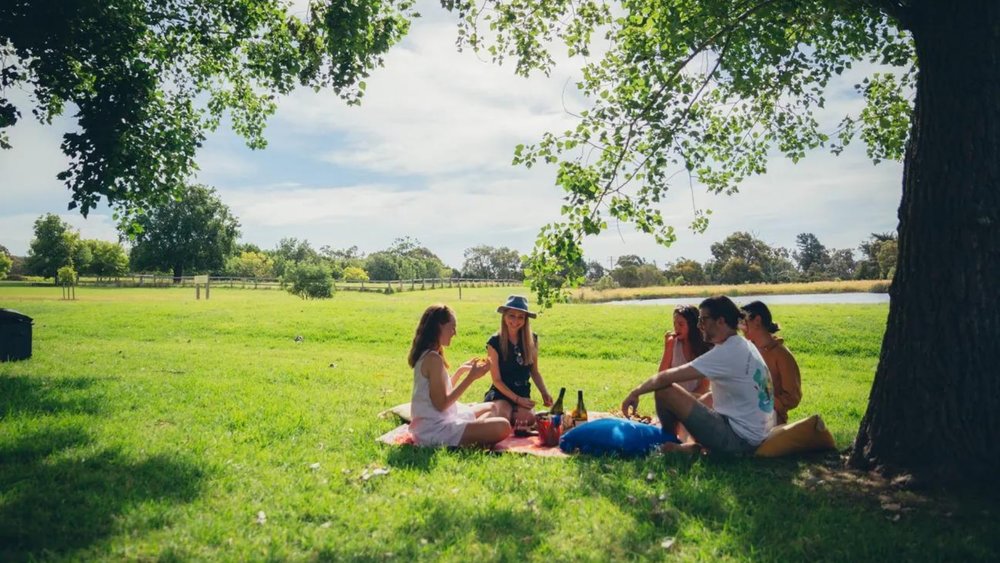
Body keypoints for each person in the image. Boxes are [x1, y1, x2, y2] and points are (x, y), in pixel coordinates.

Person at [621, 296, 775, 455]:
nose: (699, 325)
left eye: (703, 320)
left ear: (720, 321)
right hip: (757, 434)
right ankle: (691, 446)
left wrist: (635, 392)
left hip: (740, 441)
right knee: (709, 397)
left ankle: (670, 440)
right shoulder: (743, 344)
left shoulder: (726, 352)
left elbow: (664, 378)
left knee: (664, 390)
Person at [408, 304, 511, 447]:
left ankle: (474, 435)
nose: (454, 333)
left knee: (492, 408)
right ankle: (475, 438)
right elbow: (441, 404)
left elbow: (439, 391)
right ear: (439, 327)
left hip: (440, 421)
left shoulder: (429, 354)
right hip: (434, 430)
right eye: (452, 327)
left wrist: (461, 371)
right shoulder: (433, 359)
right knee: (503, 426)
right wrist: (470, 378)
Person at [483, 295, 554, 430]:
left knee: (527, 420)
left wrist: (544, 392)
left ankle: (508, 412)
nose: (516, 321)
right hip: (501, 392)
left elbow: (534, 371)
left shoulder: (532, 339)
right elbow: (496, 380)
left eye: (521, 317)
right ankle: (491, 408)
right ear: (504, 316)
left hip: (522, 391)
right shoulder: (494, 342)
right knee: (502, 418)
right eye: (512, 315)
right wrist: (517, 400)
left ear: (526, 320)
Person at [739, 301, 802, 425]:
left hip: (770, 418)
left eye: (744, 322)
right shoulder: (747, 349)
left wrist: (763, 401)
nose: (741, 327)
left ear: (757, 321)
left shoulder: (781, 354)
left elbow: (792, 397)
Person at [658, 305, 712, 396]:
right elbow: (661, 378)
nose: (676, 328)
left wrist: (686, 403)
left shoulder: (706, 348)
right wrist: (668, 348)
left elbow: (704, 386)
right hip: (676, 399)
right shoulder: (673, 344)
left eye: (681, 324)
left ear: (692, 325)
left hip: (699, 400)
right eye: (674, 323)